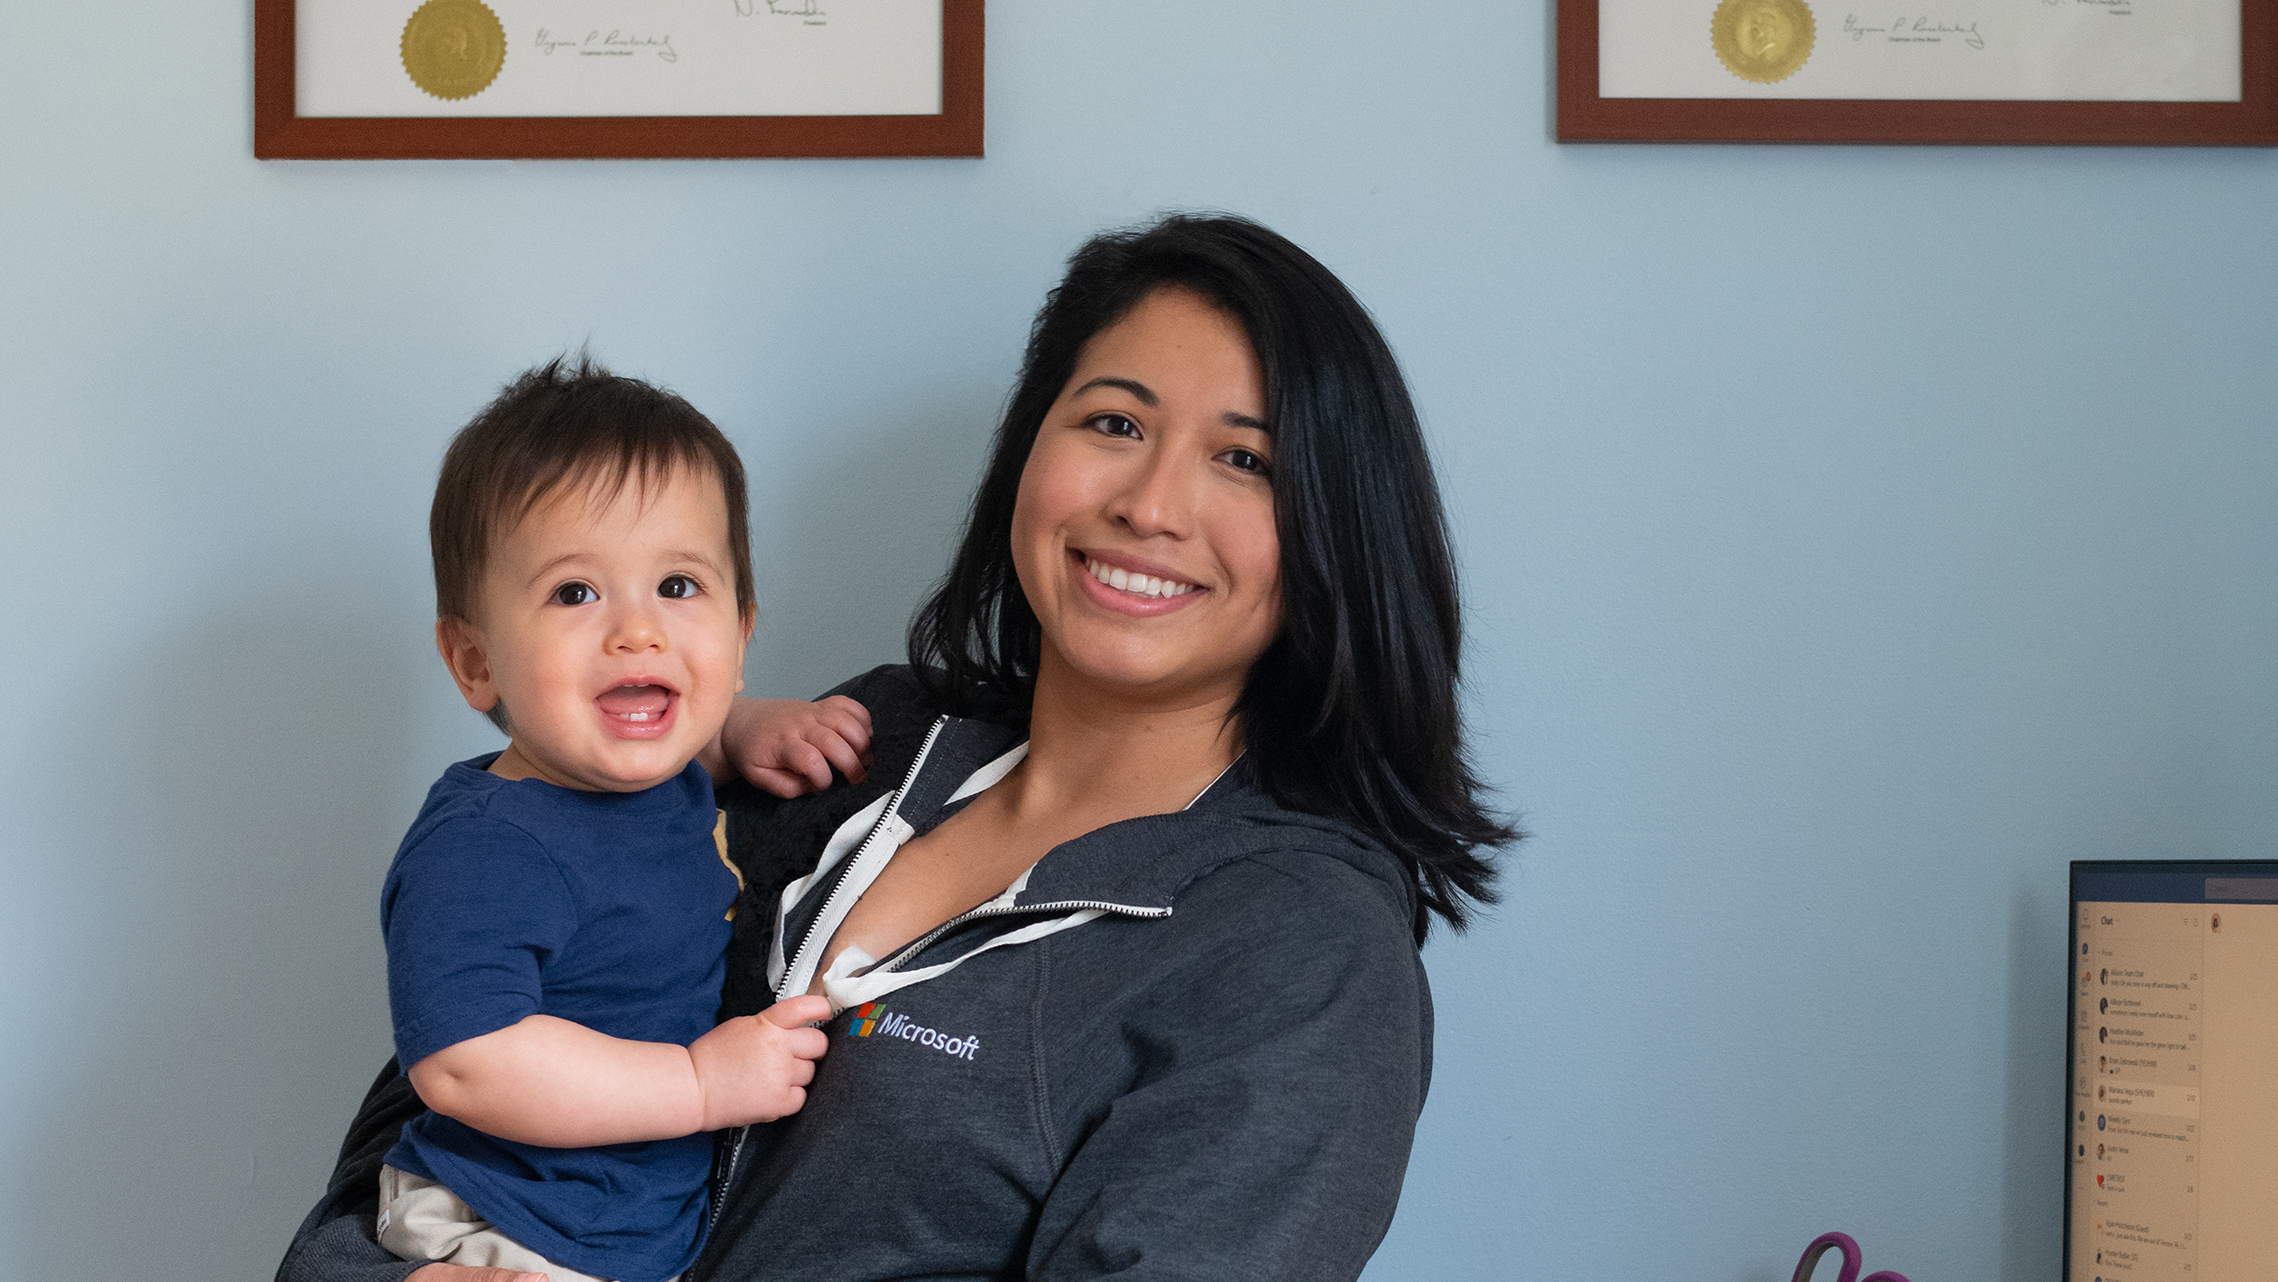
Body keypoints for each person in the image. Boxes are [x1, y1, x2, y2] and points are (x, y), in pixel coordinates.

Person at [279, 213, 1512, 1282]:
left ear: (1334, 533)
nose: (1150, 504)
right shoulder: (853, 744)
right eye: (1113, 421)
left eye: (1244, 458)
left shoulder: (1300, 950)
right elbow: (438, 1095)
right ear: (1029, 450)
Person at [364, 360, 874, 1282]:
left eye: (679, 587)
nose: (638, 632)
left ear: (743, 630)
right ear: (476, 661)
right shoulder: (489, 848)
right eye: (575, 593)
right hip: (507, 1225)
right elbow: (465, 1062)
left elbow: (675, 748)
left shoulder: (660, 774)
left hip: (620, 1231)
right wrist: (697, 1085)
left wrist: (741, 727)